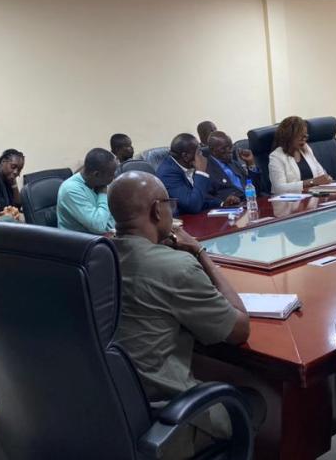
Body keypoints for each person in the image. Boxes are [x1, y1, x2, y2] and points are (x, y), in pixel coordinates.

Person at [109, 171, 260, 458]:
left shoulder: (99, 258)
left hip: (111, 416)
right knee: (253, 402)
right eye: (169, 203)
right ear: (157, 209)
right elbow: (240, 328)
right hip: (165, 421)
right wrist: (200, 252)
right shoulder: (175, 267)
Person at [156, 133, 237, 215]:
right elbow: (193, 206)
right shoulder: (167, 174)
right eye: (198, 153)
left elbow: (199, 196)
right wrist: (201, 172)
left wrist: (221, 203)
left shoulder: (188, 165)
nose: (201, 156)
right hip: (181, 221)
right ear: (186, 156)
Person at [57, 148, 117, 234]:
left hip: (104, 236)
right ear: (96, 174)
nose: (114, 178)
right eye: (111, 174)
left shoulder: (98, 183)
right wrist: (103, 194)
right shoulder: (71, 190)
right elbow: (98, 226)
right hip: (80, 242)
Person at [268, 116, 333, 194]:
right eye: (300, 136)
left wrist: (326, 179)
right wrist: (311, 182)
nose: (304, 139)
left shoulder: (306, 149)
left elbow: (321, 174)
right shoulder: (276, 156)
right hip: (289, 203)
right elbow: (279, 188)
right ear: (289, 136)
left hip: (312, 197)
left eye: (305, 136)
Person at [205, 131, 261, 202]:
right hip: (231, 208)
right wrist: (223, 203)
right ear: (213, 150)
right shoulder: (206, 169)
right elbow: (207, 198)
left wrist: (250, 163)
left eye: (231, 147)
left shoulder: (234, 163)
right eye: (224, 148)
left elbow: (255, 188)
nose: (230, 150)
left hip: (251, 202)